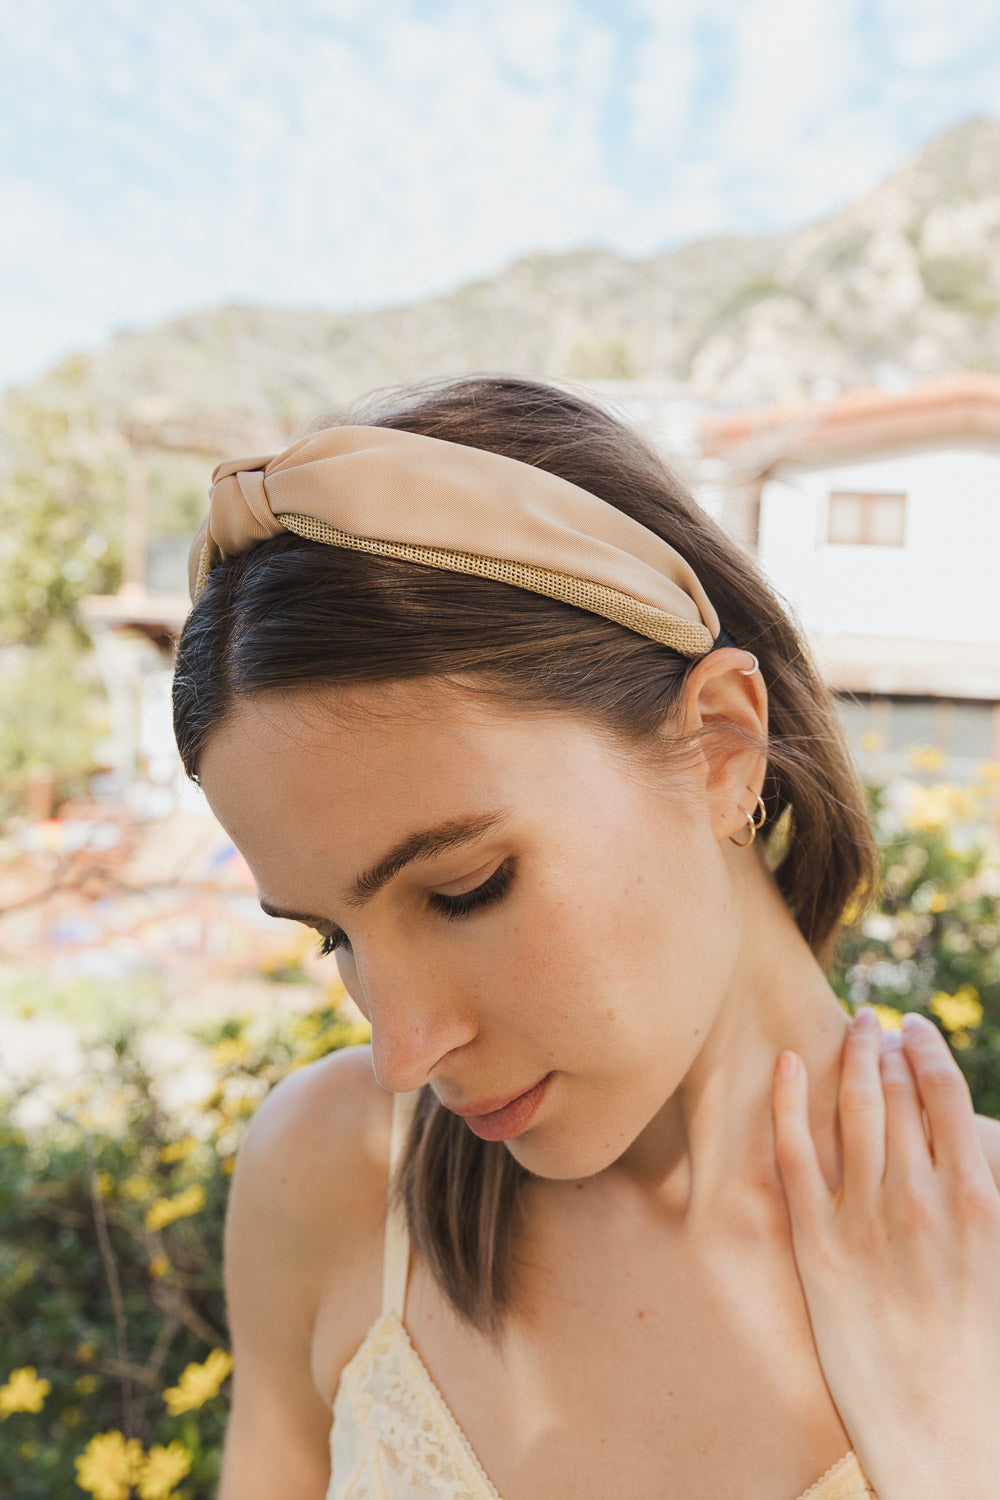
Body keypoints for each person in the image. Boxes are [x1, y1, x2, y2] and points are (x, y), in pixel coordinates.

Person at [172, 376, 1000, 1500]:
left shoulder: (978, 1264)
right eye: (334, 937)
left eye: (464, 889)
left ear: (720, 747)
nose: (400, 1052)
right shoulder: (336, 1180)